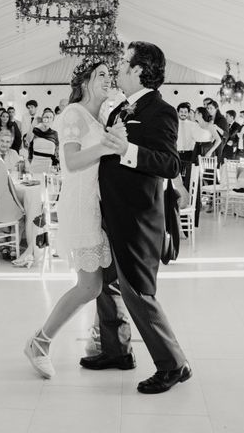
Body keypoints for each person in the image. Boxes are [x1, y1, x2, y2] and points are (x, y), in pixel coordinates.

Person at [84, 41, 191, 394]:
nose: (118, 69)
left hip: (137, 217)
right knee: (104, 282)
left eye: (124, 63)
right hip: (111, 211)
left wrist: (127, 150)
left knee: (138, 293)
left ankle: (173, 364)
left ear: (140, 70)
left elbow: (170, 163)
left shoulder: (161, 111)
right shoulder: (121, 108)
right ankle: (116, 351)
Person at [24, 57, 121, 380]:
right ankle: (40, 341)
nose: (109, 79)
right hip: (80, 204)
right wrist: (107, 145)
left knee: (101, 282)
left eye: (111, 75)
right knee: (89, 286)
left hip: (97, 203)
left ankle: (101, 337)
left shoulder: (101, 115)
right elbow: (71, 161)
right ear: (85, 82)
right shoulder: (73, 114)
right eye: (102, 75)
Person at [27, 108, 59, 174]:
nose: (48, 119)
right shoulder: (36, 130)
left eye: (50, 117)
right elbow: (28, 140)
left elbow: (58, 150)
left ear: (53, 120)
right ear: (42, 118)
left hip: (49, 166)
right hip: (35, 164)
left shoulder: (55, 133)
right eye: (46, 117)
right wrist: (33, 124)